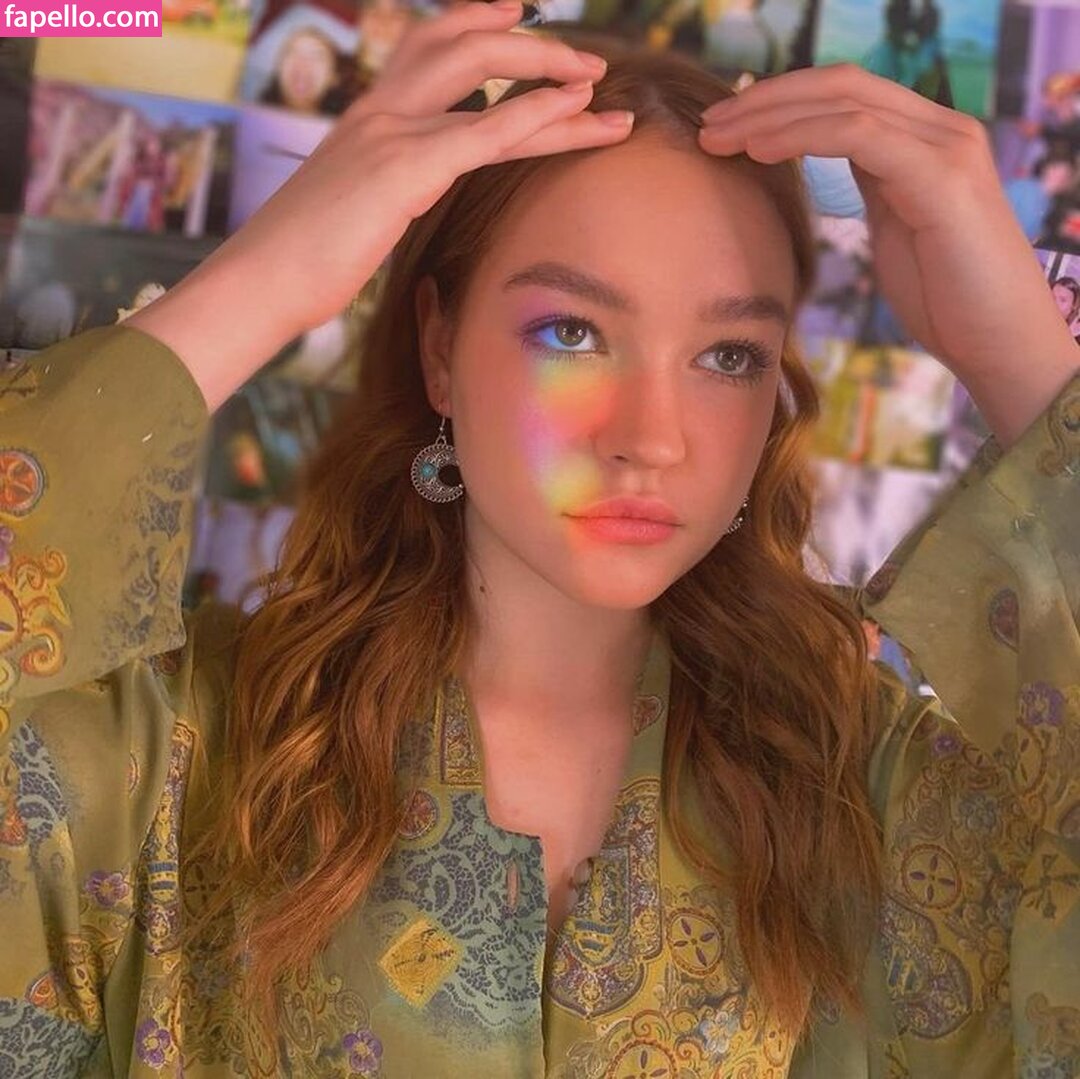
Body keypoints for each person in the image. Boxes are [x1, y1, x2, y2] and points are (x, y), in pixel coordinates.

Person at [1, 3, 1077, 1075]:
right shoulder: (173, 754)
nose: (653, 438)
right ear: (439, 348)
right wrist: (268, 275)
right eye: (572, 331)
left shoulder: (868, 791)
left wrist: (1024, 362)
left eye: (729, 355)